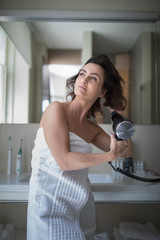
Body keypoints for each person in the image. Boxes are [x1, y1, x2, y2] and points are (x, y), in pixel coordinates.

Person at [27, 55, 133, 240]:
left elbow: (127, 150)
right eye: (82, 73)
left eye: (93, 78)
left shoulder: (91, 128)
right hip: (48, 209)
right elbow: (65, 161)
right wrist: (109, 156)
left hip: (77, 209)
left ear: (102, 92)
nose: (83, 79)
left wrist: (117, 113)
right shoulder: (56, 110)